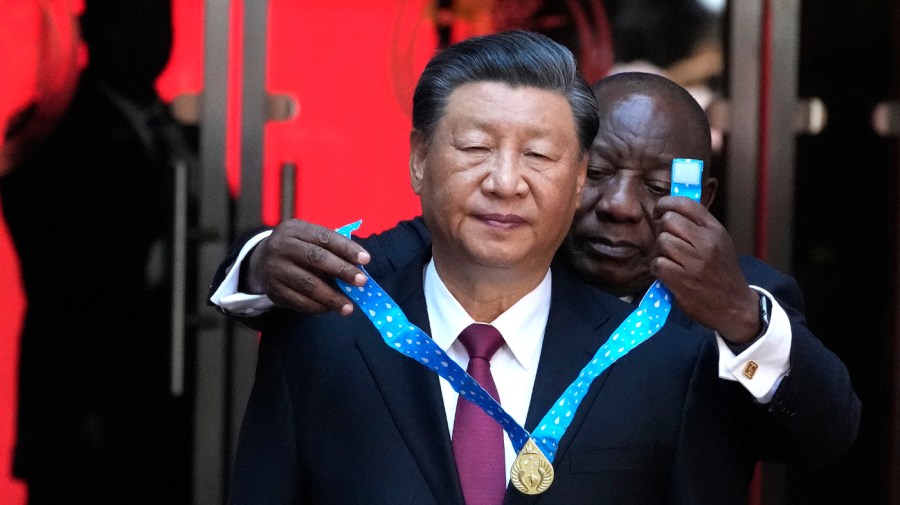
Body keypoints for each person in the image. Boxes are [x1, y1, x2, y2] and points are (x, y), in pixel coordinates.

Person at [219, 33, 858, 504]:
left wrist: (741, 319)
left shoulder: (712, 318)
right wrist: (259, 262)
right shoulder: (421, 272)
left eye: (659, 187)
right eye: (601, 175)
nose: (618, 209)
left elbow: (825, 436)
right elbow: (379, 252)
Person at [0, 1, 191, 503]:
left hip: (170, 412)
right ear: (90, 30)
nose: (148, 35)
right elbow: (67, 284)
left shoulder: (183, 132)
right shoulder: (53, 134)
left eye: (157, 18)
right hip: (87, 415)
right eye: (130, 17)